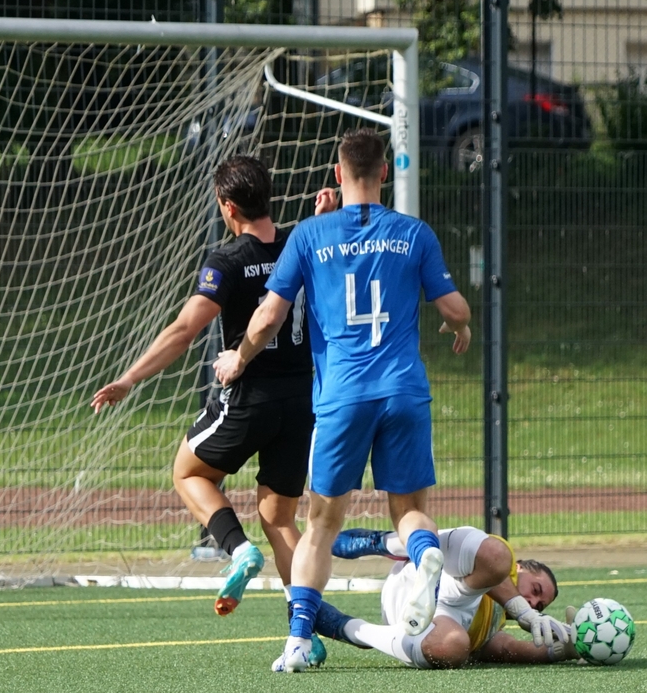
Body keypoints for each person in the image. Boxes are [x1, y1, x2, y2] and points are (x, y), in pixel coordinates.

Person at [213, 128, 473, 672]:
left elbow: (269, 316)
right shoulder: (413, 233)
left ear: (337, 173)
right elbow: (454, 307)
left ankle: (297, 640)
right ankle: (426, 556)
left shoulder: (310, 235)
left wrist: (239, 356)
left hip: (342, 397)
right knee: (410, 511)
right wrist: (461, 326)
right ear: (384, 173)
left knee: (322, 526)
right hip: (403, 391)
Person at [91, 155, 333, 663]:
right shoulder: (302, 243)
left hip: (248, 397)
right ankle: (303, 630)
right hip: (301, 400)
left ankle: (238, 550)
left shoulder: (226, 261)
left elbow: (185, 330)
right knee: (279, 516)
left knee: (187, 471)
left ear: (227, 207)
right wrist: (324, 218)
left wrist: (130, 378)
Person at [312, 527, 578, 669]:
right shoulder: (505, 567)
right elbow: (495, 571)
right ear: (519, 568)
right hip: (436, 574)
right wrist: (523, 610)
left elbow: (510, 650)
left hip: (417, 618)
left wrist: (566, 649)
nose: (533, 602)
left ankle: (346, 628)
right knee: (495, 555)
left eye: (539, 605)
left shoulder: (492, 629)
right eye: (536, 590)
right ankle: (384, 542)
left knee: (453, 647)